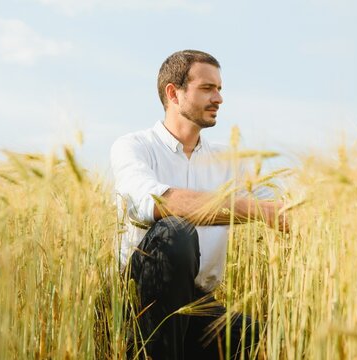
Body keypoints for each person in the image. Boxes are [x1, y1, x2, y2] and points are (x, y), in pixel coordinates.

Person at [110, 50, 288, 359]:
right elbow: (154, 202)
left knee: (261, 340)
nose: (219, 98)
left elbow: (281, 209)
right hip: (143, 299)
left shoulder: (230, 160)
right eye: (207, 88)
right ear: (173, 93)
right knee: (174, 232)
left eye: (219, 89)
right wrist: (251, 209)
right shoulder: (133, 146)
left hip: (200, 305)